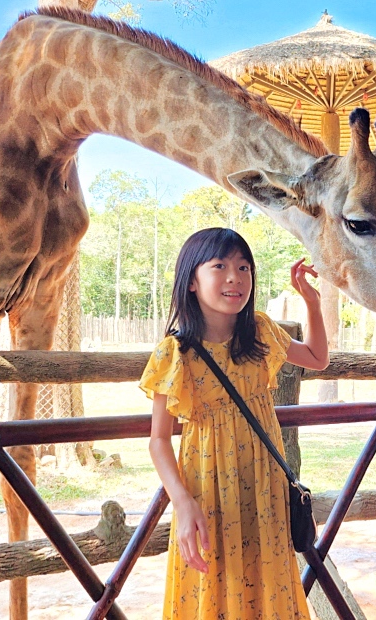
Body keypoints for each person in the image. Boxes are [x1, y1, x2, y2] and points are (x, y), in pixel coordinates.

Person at [141, 227, 329, 618]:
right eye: (220, 266)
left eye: (244, 267)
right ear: (192, 281)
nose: (235, 277)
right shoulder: (175, 352)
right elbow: (158, 440)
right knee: (214, 589)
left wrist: (311, 302)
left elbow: (315, 356)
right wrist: (182, 501)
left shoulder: (259, 331)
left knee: (269, 586)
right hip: (208, 492)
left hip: (267, 491)